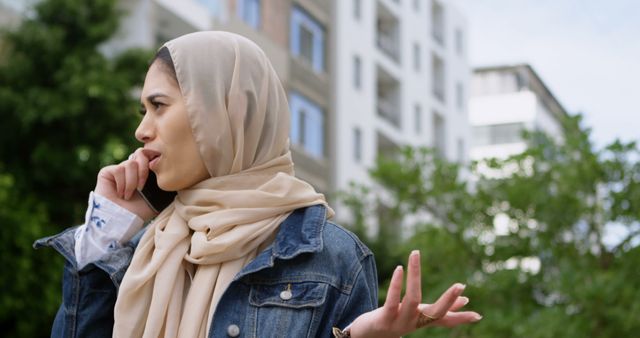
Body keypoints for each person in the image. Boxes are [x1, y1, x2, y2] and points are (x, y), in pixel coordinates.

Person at [34, 31, 481, 337]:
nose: (142, 131)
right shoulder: (138, 248)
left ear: (226, 111)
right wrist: (104, 235)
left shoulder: (329, 258)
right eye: (142, 112)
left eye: (159, 106)